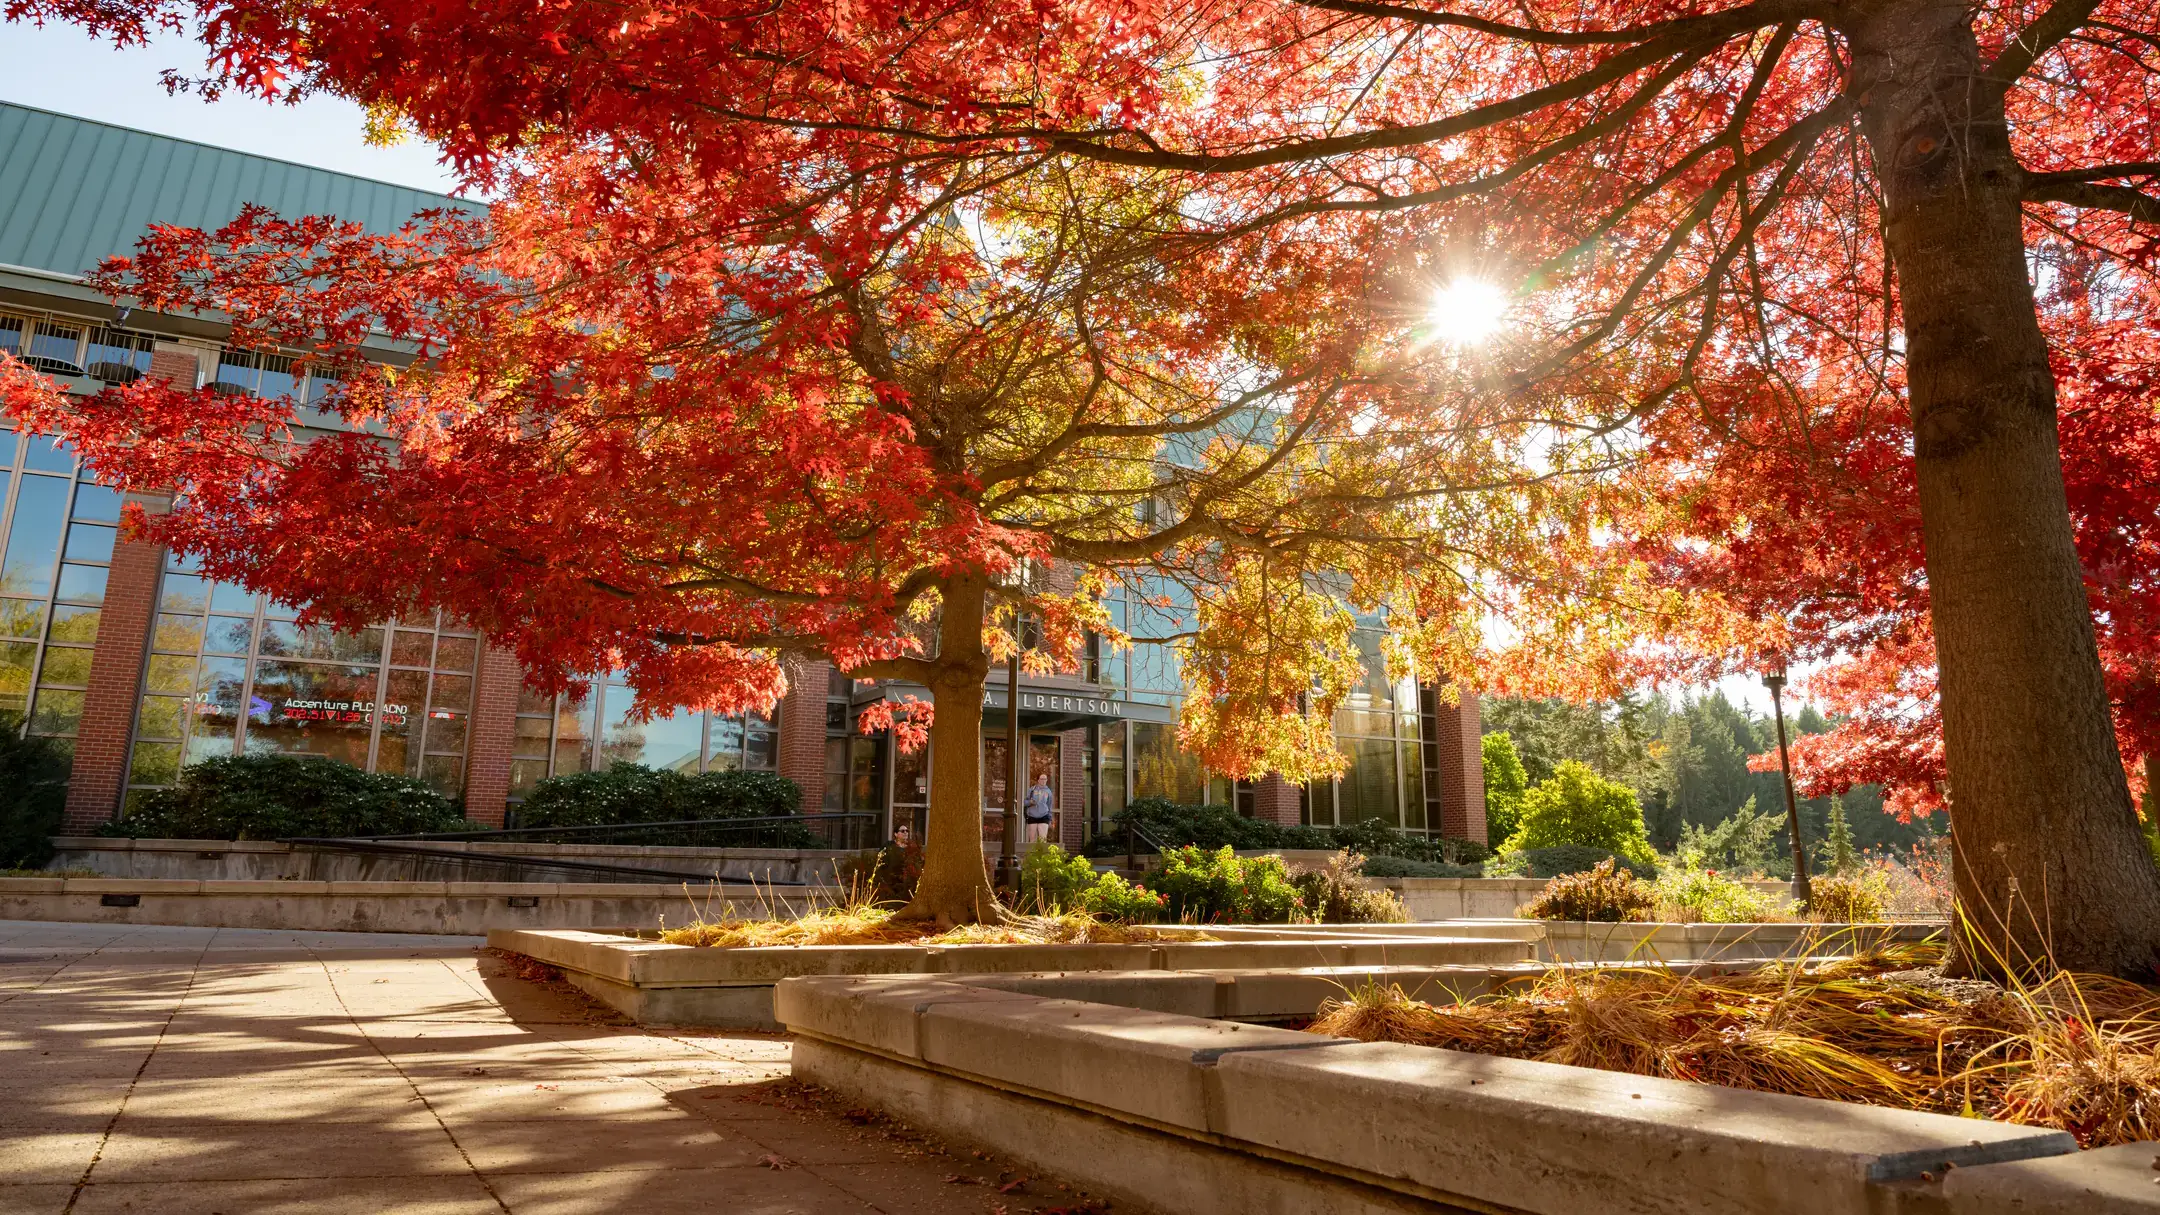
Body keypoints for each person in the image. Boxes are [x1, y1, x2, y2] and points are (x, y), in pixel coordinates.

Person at [1023, 773, 1055, 843]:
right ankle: (1032, 851)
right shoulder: (1032, 789)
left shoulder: (1048, 791)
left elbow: (1049, 806)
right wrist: (1030, 802)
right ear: (1038, 780)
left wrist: (1050, 819)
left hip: (1044, 816)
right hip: (1032, 816)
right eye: (1042, 779)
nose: (1043, 781)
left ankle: (1041, 851)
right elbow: (1024, 802)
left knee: (1042, 840)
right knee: (1032, 840)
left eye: (1045, 779)